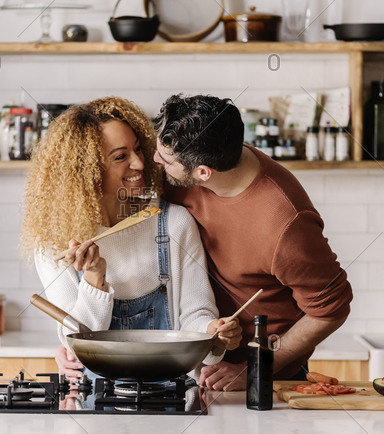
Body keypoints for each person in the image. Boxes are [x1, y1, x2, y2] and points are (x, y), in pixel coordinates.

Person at [21, 96, 241, 382]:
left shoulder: (173, 223)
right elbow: (74, 341)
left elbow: (195, 315)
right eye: (120, 156)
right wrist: (94, 278)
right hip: (93, 399)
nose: (140, 162)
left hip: (171, 394)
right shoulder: (55, 242)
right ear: (85, 172)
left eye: (138, 149)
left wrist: (213, 334)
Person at [150, 94, 353, 391]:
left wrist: (252, 371)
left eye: (165, 161)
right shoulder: (204, 152)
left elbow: (330, 311)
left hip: (256, 379)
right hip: (190, 362)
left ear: (203, 173)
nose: (154, 161)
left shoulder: (286, 224)